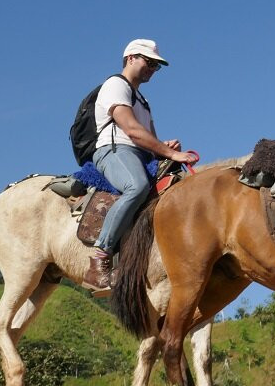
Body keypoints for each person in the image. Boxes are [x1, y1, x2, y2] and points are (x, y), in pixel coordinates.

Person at [83, 39, 199, 291]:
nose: (152, 69)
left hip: (138, 154)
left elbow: (148, 140)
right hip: (113, 150)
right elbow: (133, 131)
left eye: (157, 66)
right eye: (149, 62)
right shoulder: (115, 85)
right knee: (136, 186)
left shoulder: (143, 102)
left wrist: (163, 148)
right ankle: (99, 260)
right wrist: (172, 153)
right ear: (130, 58)